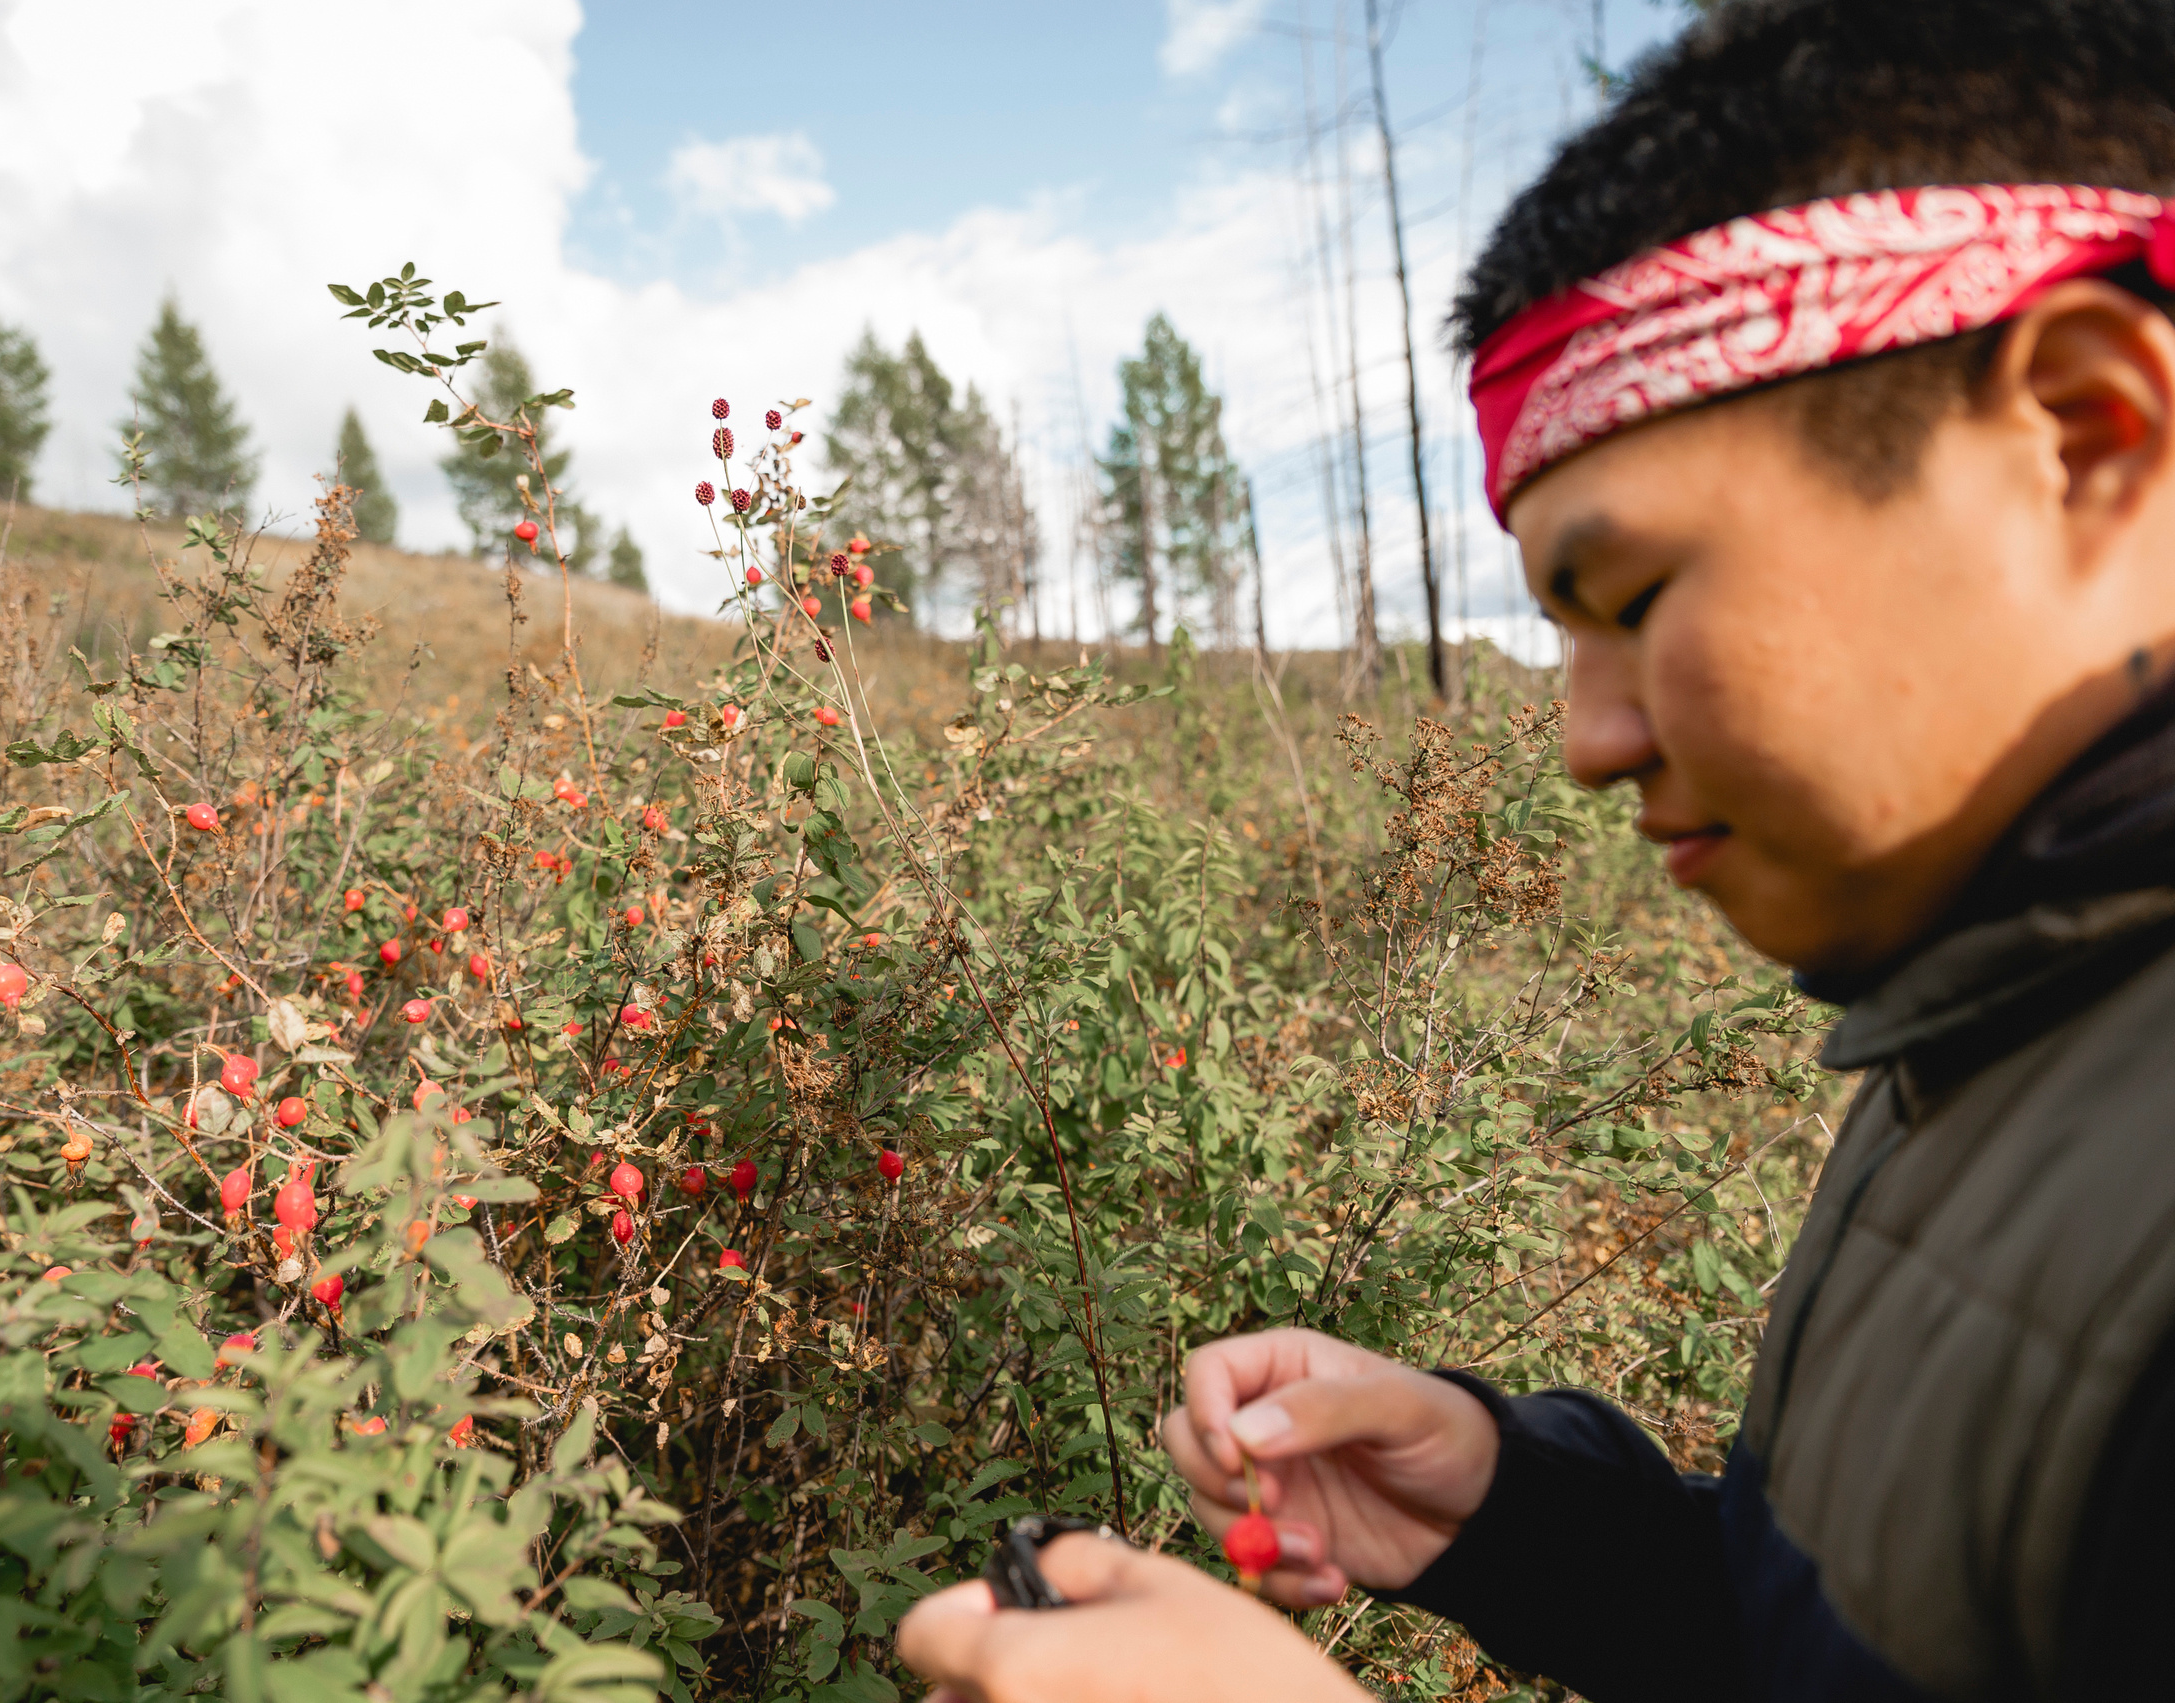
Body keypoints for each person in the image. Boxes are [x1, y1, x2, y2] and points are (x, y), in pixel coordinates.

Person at [896, 0, 2175, 1696]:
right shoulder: (2002, 1029)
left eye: (1634, 598)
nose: (1587, 738)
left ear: (2086, 434)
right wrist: (1512, 1515)